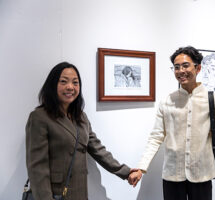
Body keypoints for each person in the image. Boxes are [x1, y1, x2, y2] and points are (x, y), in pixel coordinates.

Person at [129, 46, 215, 200]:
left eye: (185, 65)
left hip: (202, 174)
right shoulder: (167, 101)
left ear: (198, 68)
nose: (181, 71)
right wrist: (141, 168)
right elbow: (156, 137)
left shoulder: (214, 100)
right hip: (173, 175)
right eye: (176, 67)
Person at [26, 62, 137, 200]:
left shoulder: (81, 116)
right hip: (55, 194)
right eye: (63, 82)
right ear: (52, 85)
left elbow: (98, 150)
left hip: (80, 191)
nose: (70, 87)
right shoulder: (39, 117)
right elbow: (37, 168)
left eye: (75, 82)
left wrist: (125, 172)